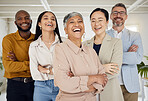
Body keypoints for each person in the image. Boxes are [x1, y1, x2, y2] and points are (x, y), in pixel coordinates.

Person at [53, 12, 108, 101]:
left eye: (80, 21)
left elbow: (103, 78)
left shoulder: (91, 51)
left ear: (84, 28)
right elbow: (63, 83)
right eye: (71, 22)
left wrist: (76, 82)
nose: (77, 24)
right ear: (66, 30)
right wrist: (95, 78)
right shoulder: (60, 49)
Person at [83, 8, 124, 101]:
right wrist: (103, 67)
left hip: (110, 92)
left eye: (100, 20)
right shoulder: (85, 45)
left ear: (107, 22)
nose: (96, 24)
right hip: (89, 93)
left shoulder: (116, 43)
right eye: (93, 21)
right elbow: (81, 70)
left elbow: (115, 71)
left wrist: (91, 75)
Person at [107, 3, 143, 101]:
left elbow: (138, 58)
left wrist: (113, 56)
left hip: (130, 86)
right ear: (111, 16)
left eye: (121, 13)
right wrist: (128, 54)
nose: (118, 15)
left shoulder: (135, 36)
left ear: (126, 16)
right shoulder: (104, 35)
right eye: (115, 13)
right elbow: (102, 58)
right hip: (110, 84)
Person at [29, 11, 63, 101]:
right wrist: (56, 71)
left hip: (62, 85)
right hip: (41, 87)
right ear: (39, 24)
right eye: (46, 18)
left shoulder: (64, 43)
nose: (50, 21)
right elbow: (35, 73)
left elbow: (67, 69)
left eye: (53, 19)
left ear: (55, 24)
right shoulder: (33, 45)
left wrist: (47, 70)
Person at [2, 10, 34, 101]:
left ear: (31, 21)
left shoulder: (37, 39)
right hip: (15, 86)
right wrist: (33, 64)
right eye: (20, 19)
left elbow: (45, 62)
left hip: (34, 84)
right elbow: (9, 67)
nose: (24, 21)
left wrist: (18, 63)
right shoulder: (8, 40)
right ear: (15, 22)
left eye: (27, 18)